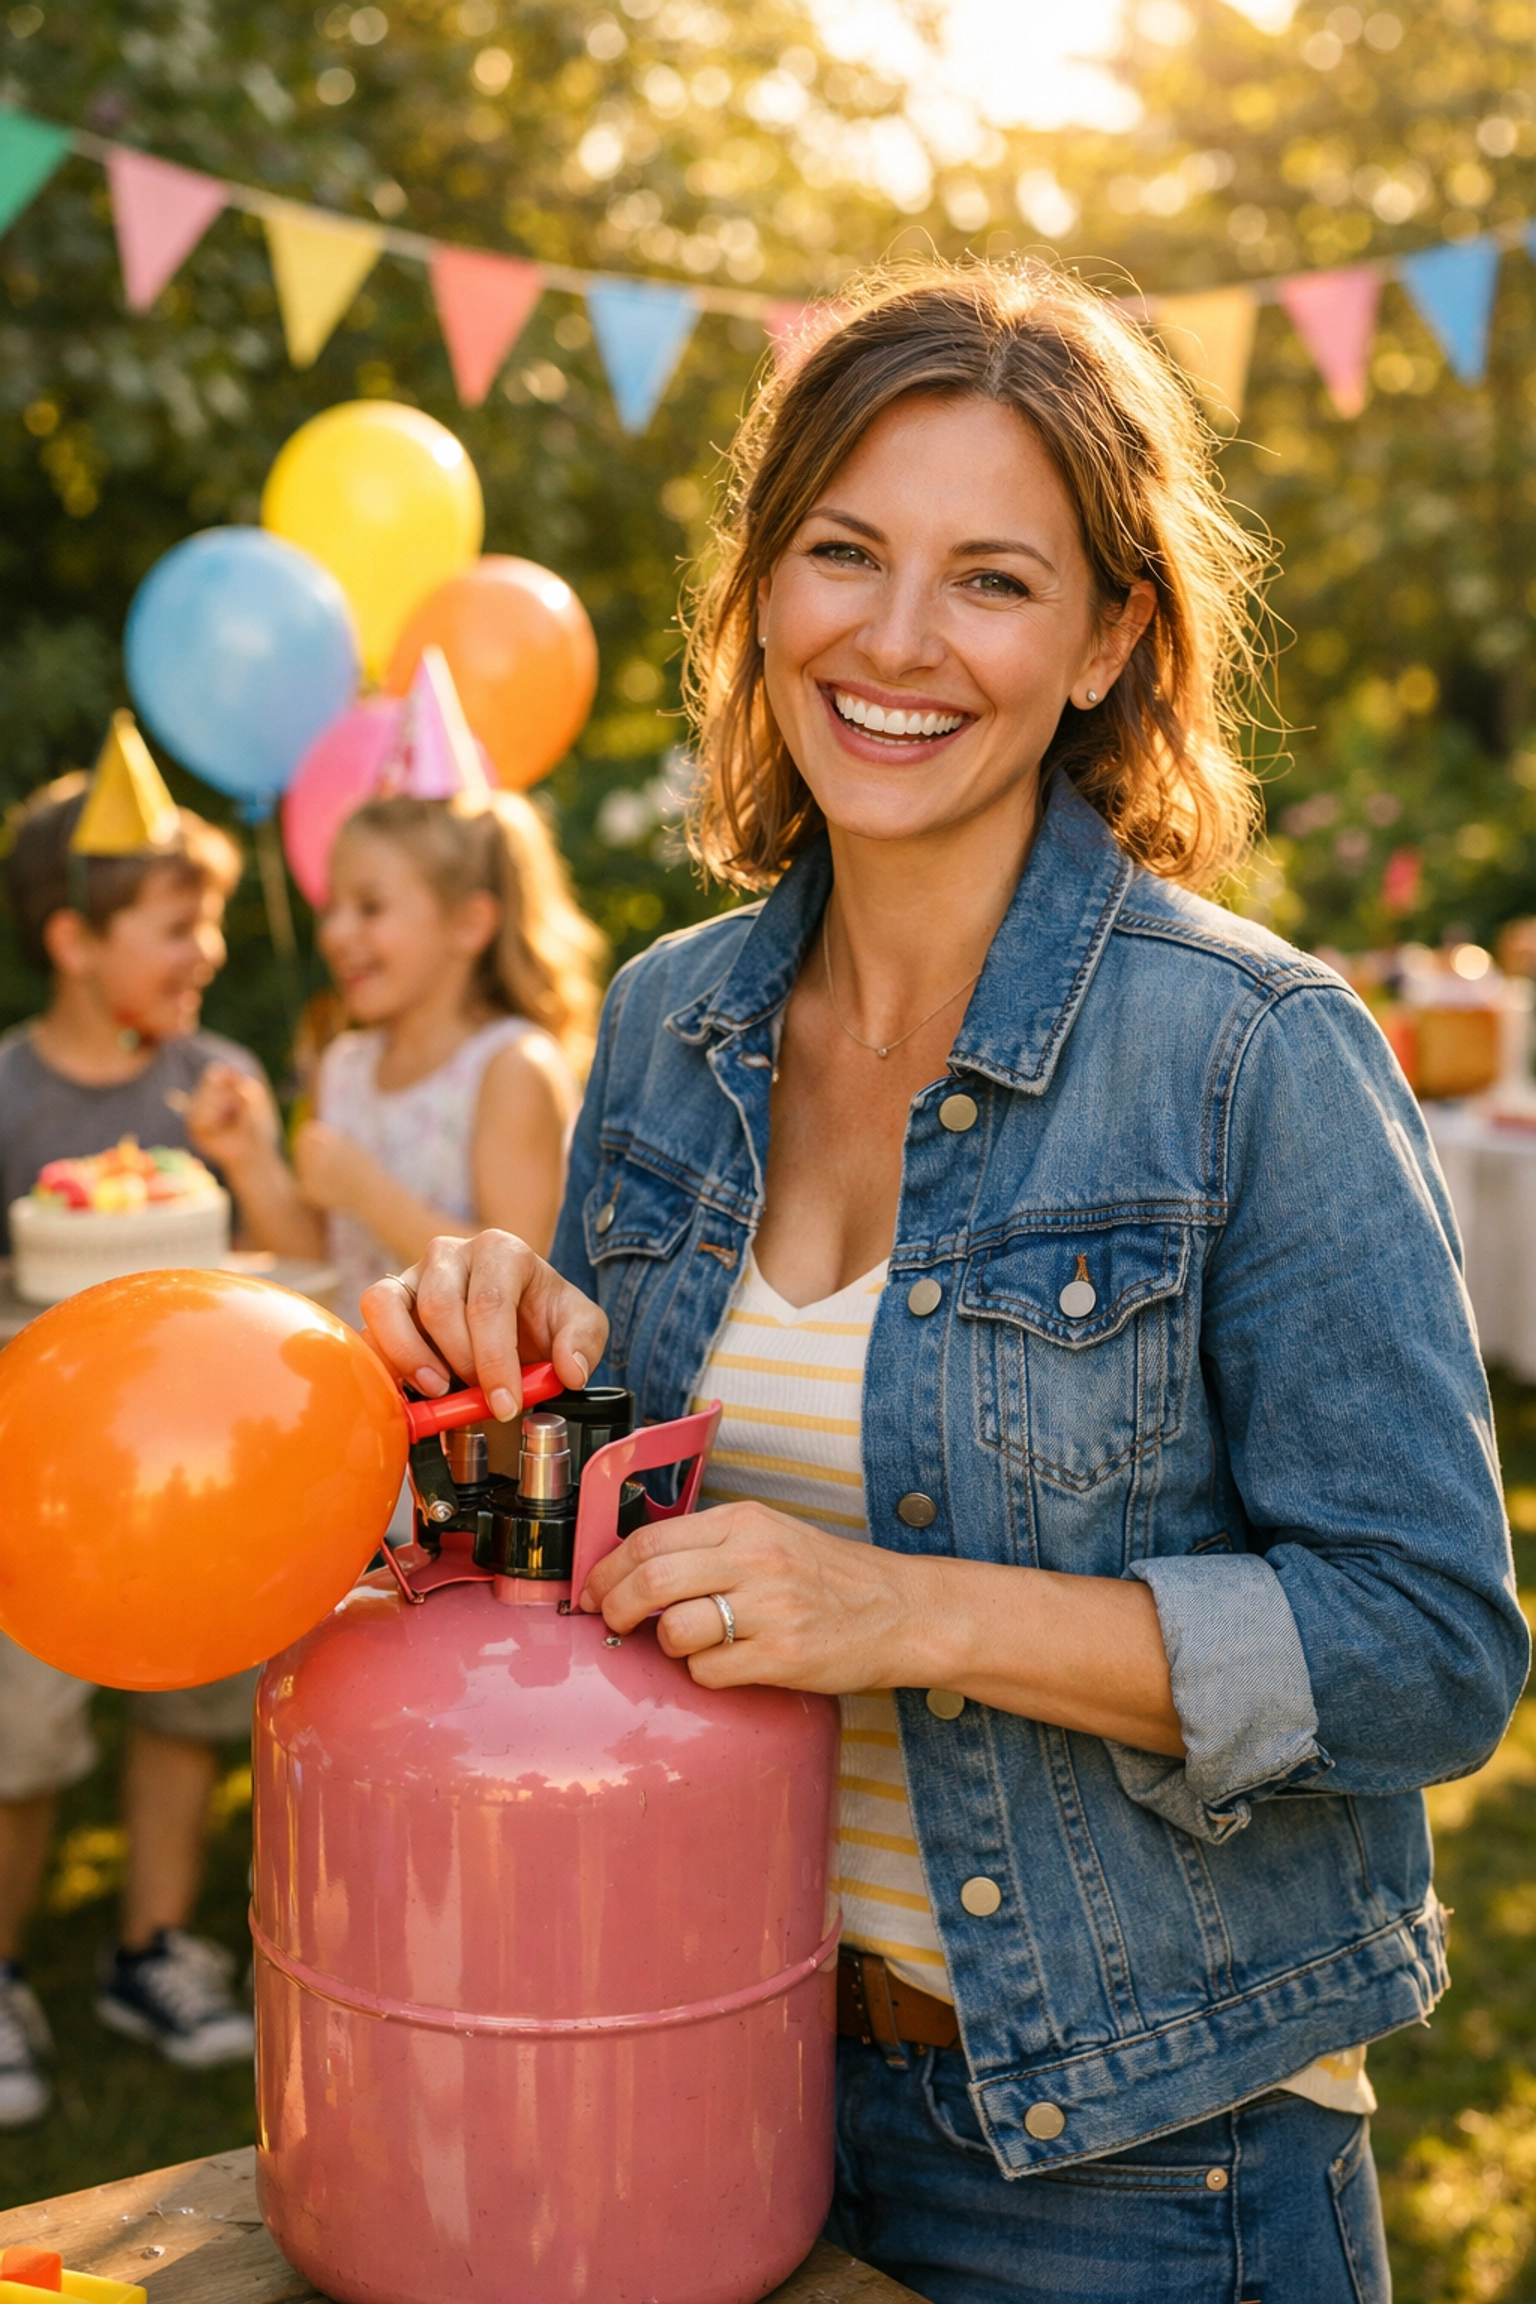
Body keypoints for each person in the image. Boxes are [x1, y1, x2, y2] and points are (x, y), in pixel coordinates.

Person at [359, 264, 1528, 2304]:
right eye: (844, 553)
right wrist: (480, 1401)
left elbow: (1429, 1647)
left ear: (1109, 641)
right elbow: (600, 1575)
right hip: (685, 2067)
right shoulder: (665, 1028)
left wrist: (902, 1615)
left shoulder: (1252, 1055)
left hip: (1134, 2162)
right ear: (763, 587)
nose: (896, 643)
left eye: (993, 581)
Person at [0, 744, 261, 2127]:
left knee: (190, 1710)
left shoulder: (211, 1082)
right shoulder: (10, 1096)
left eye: (213, 920)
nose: (208, 950)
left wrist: (255, 1151)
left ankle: (149, 1951)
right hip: (37, 1492)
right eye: (177, 926)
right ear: (74, 941)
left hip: (187, 1481)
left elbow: (270, 1268)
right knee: (19, 1733)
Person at [189, 786, 604, 1329]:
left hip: (471, 1405)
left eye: (370, 907)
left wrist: (367, 1192)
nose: (336, 934)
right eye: (332, 908)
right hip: (359, 1384)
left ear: (469, 924)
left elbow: (524, 1284)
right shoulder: (344, 1065)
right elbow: (319, 1259)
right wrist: (251, 1161)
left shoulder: (512, 1067)